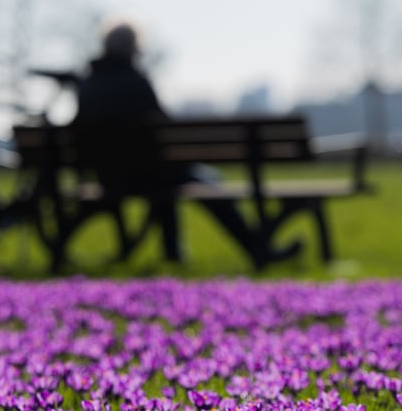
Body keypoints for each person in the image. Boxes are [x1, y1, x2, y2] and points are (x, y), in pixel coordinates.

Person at [71, 20, 301, 268]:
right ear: (133, 48)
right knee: (203, 181)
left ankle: (173, 252)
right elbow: (164, 128)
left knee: (167, 180)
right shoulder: (136, 81)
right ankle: (257, 248)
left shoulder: (87, 85)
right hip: (148, 173)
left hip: (109, 176)